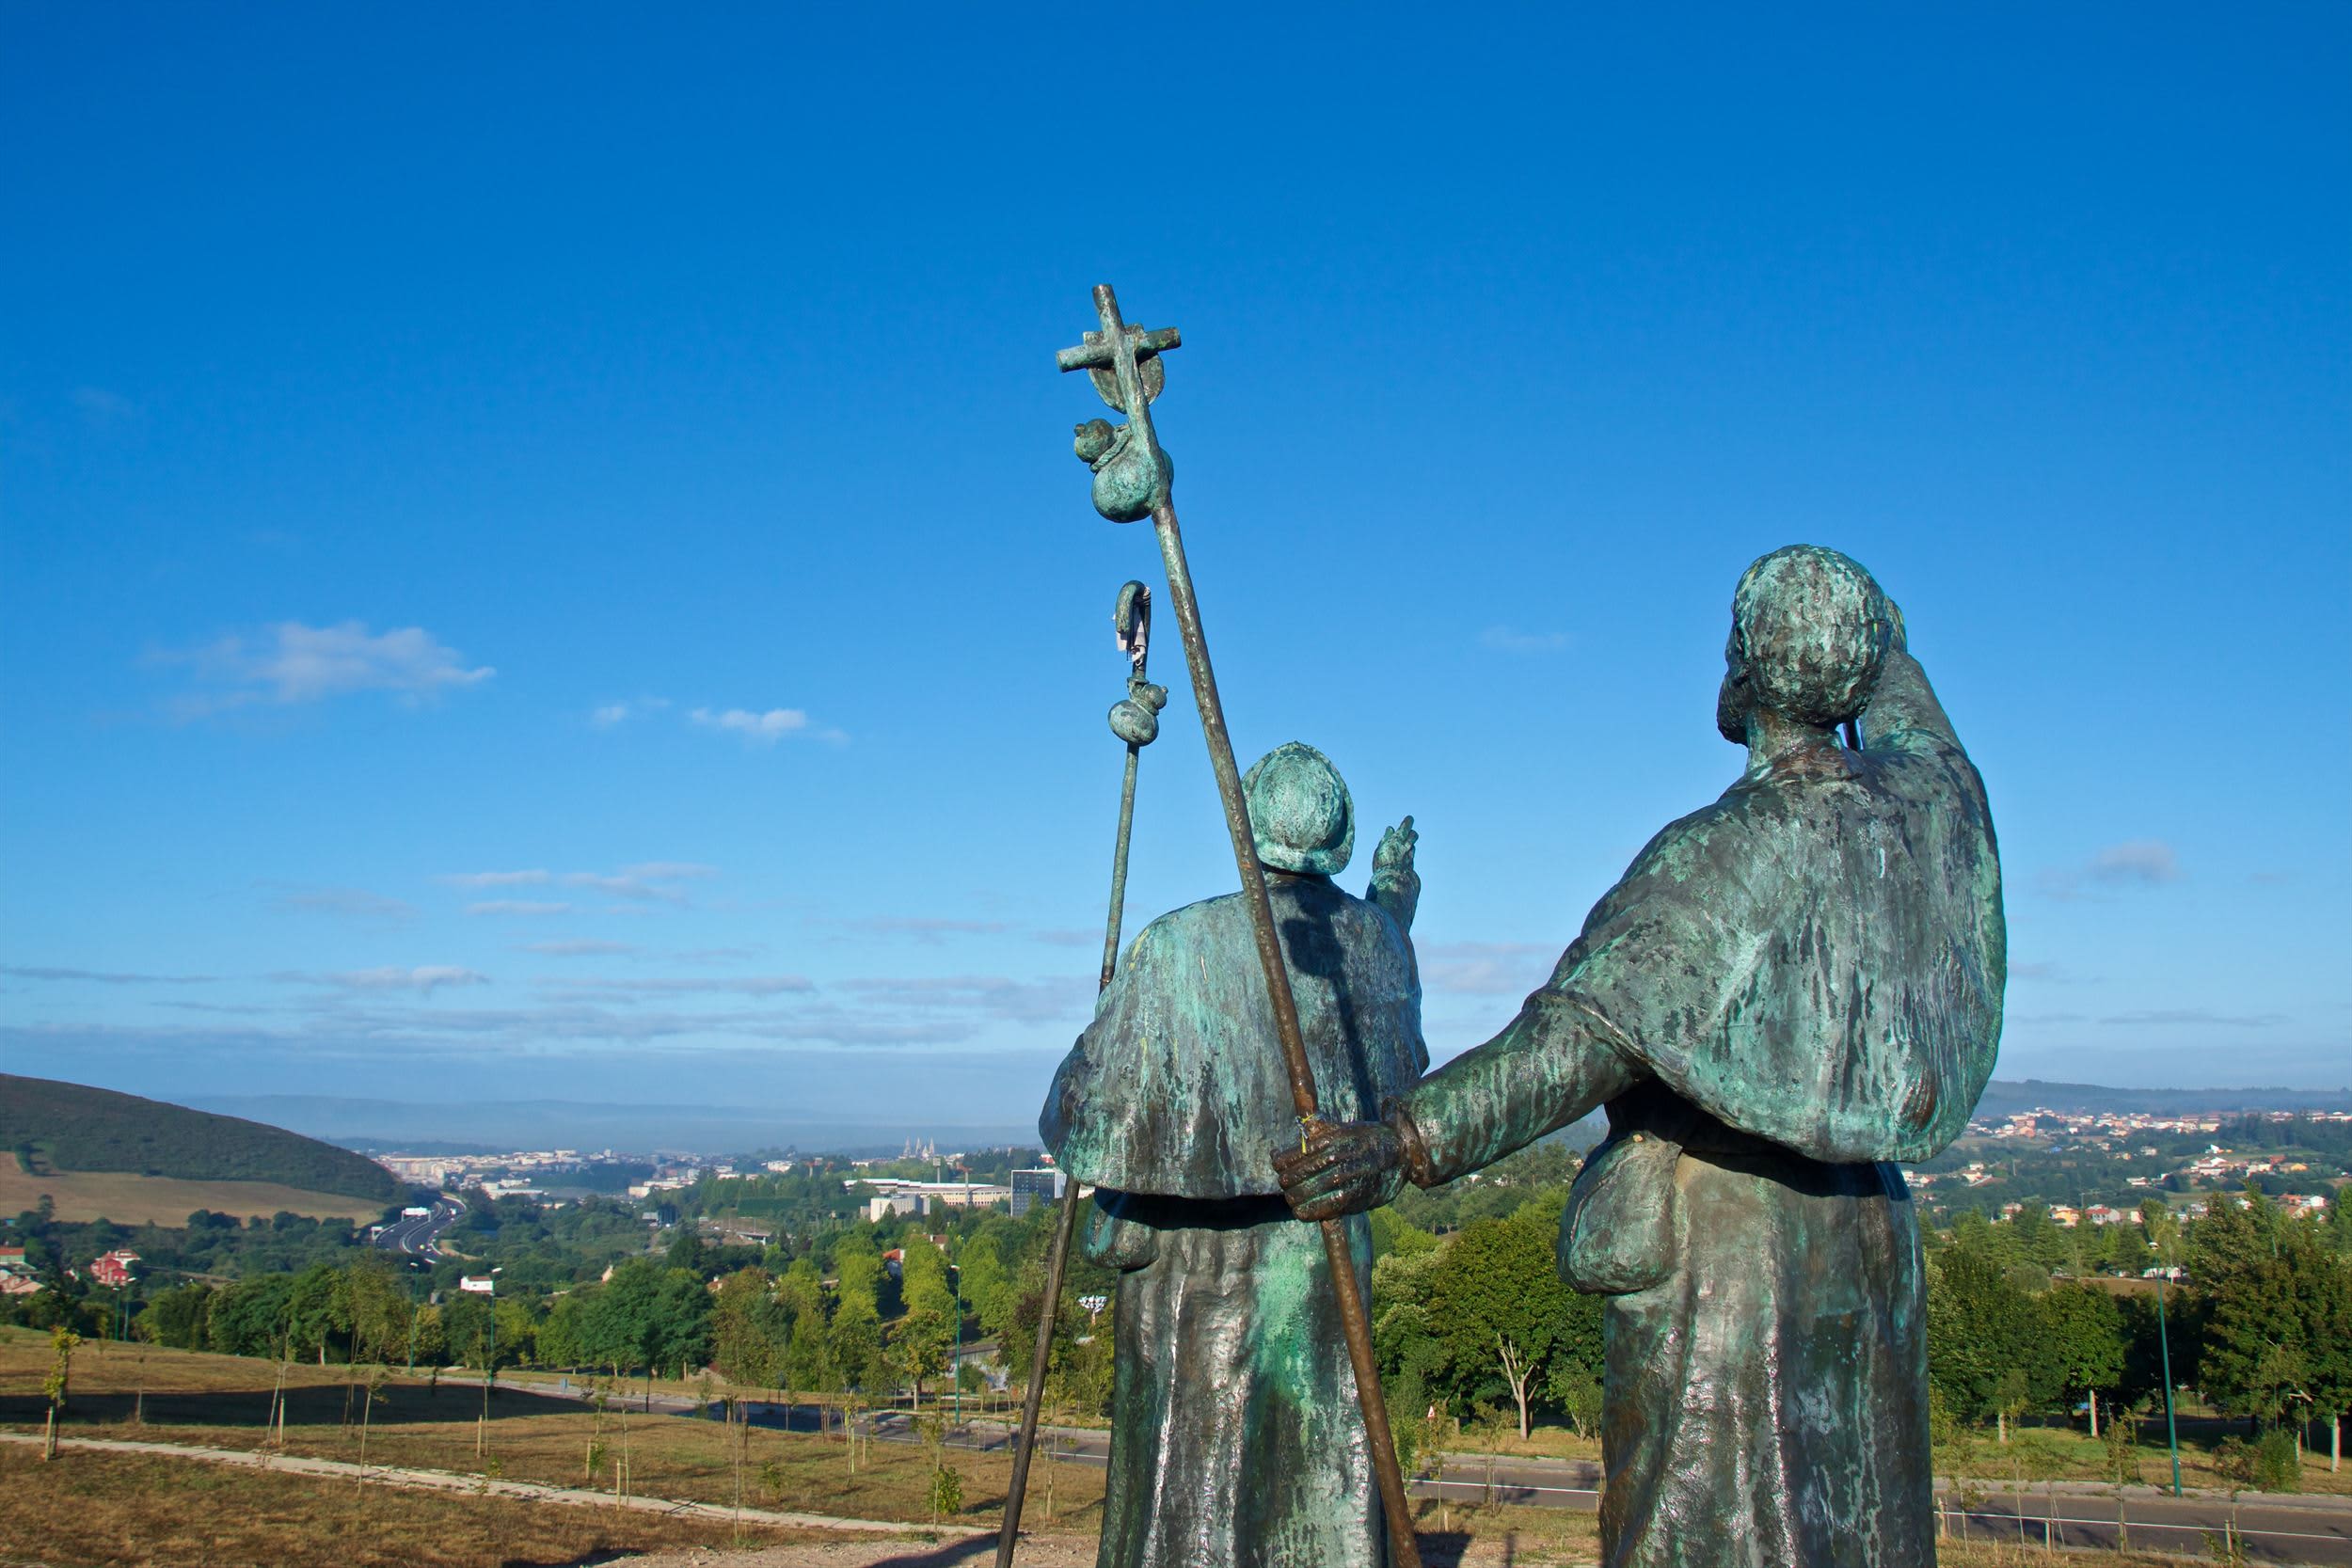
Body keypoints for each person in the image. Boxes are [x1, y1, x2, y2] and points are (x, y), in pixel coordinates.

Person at [1278, 546, 2005, 1568]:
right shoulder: (1936, 806)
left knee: (1717, 1517)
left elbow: (1572, 1040)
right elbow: (1913, 713)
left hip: (1732, 1245)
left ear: (1743, 670)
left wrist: (1399, 1143)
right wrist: (1868, 627)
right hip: (1868, 1232)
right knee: (1858, 1516)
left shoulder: (1723, 851)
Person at [1040, 740, 1423, 1568]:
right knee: (1316, 1479)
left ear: (1245, 827)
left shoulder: (1177, 945)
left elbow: (1081, 1122)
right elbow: (1378, 945)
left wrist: (1109, 1014)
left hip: (1194, 1278)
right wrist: (1396, 888)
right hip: (1323, 1263)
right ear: (1339, 840)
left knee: (1188, 1494)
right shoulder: (1379, 943)